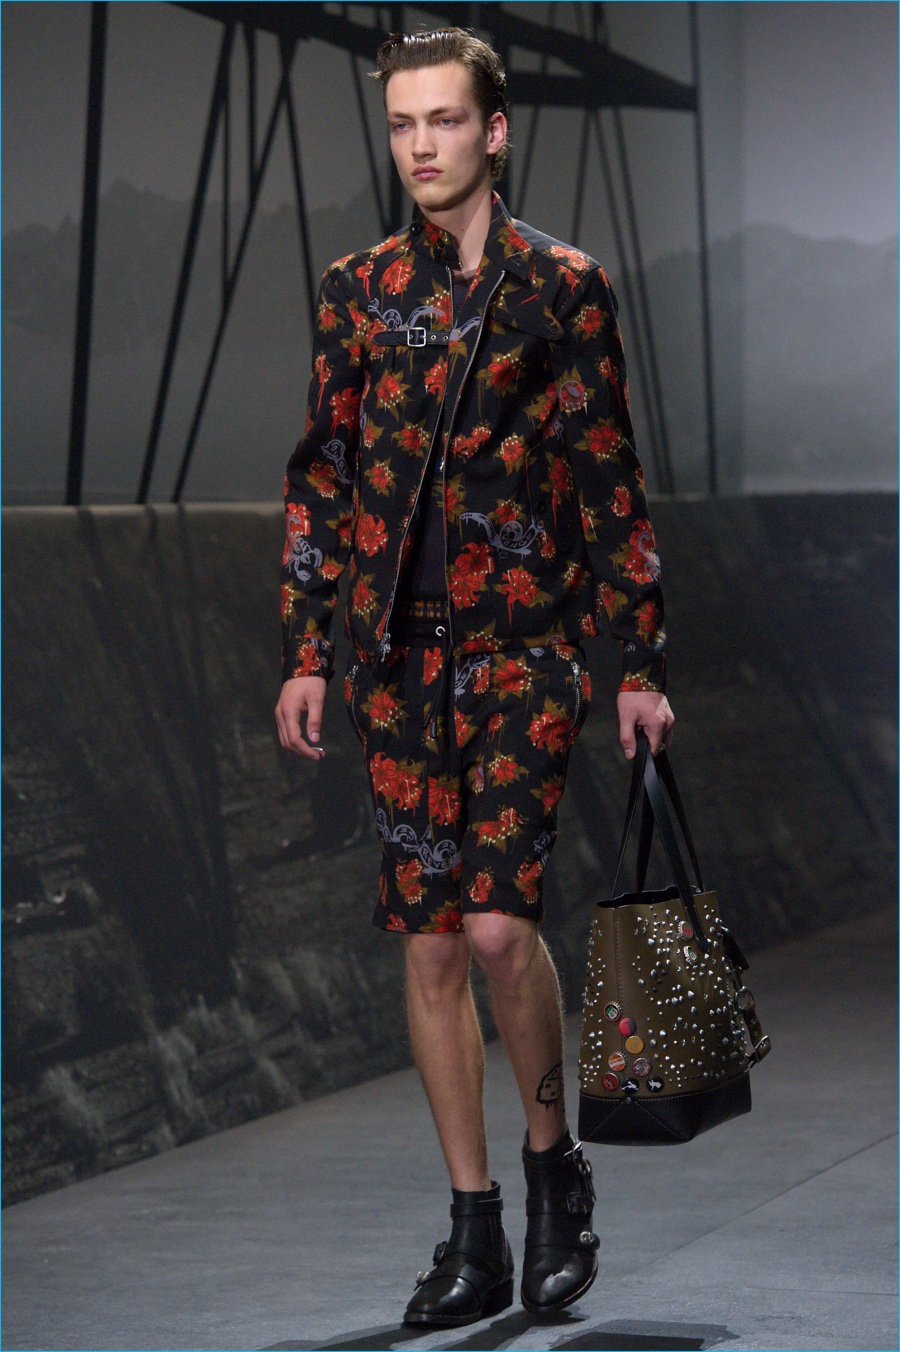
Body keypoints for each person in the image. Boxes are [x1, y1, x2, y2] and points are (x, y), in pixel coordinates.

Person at [275, 27, 674, 1329]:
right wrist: (307, 646)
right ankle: (474, 1231)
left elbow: (609, 474)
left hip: (524, 650)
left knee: (502, 930)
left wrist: (638, 656)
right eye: (403, 123)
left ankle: (556, 1175)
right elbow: (324, 475)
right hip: (396, 660)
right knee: (435, 946)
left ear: (495, 131)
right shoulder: (357, 290)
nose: (422, 145)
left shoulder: (563, 287)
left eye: (444, 119)